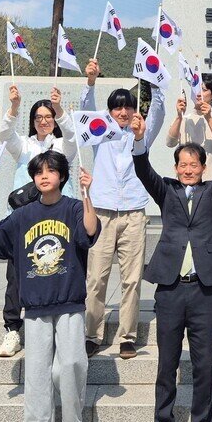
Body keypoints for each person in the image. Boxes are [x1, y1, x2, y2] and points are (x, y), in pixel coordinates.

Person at [131, 111, 212, 422]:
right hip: (170, 289)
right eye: (183, 165)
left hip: (203, 291)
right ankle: (163, 421)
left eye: (193, 165)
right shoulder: (165, 190)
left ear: (203, 167)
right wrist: (140, 139)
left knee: (203, 364)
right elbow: (143, 170)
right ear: (176, 168)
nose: (188, 170)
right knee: (166, 364)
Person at [0, 151, 99, 422]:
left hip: (69, 300)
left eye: (50, 171)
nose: (44, 176)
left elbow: (89, 231)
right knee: (37, 373)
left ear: (62, 176)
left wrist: (88, 194)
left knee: (72, 365)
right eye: (39, 172)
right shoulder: (22, 215)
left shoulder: (74, 208)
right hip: (36, 304)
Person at [81, 59, 165, 360]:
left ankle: (127, 337)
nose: (123, 112)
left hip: (133, 212)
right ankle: (92, 335)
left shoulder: (141, 134)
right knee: (96, 278)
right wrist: (90, 81)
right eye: (117, 108)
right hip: (102, 212)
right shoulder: (99, 132)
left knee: (131, 279)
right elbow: (86, 107)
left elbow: (158, 111)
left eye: (128, 107)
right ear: (110, 111)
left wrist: (155, 82)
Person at [0, 85, 78, 358]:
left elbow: (72, 136)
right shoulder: (24, 146)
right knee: (15, 275)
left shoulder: (61, 147)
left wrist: (61, 109)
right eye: (38, 117)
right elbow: (5, 134)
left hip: (56, 222)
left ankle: (55, 329)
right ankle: (12, 330)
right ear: (32, 121)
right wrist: (14, 106)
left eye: (49, 117)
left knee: (55, 271)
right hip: (25, 221)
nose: (44, 121)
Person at [165, 80, 212, 181]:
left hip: (211, 182)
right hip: (186, 182)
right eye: (196, 89)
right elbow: (170, 143)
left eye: (203, 90)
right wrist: (179, 116)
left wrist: (208, 118)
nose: (198, 94)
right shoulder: (184, 119)